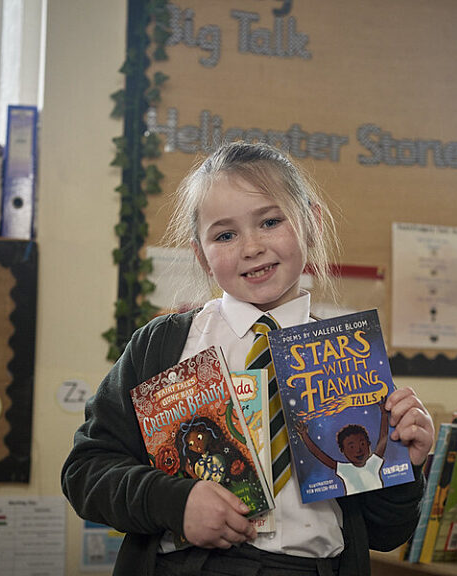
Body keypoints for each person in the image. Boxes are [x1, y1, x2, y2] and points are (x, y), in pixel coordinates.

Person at [61, 141, 435, 576]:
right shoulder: (162, 346)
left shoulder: (351, 356)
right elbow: (86, 470)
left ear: (310, 223)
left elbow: (388, 533)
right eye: (225, 235)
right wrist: (174, 502)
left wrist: (405, 467)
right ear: (200, 253)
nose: (252, 247)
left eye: (271, 221)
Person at [295, 400, 389, 495]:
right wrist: (304, 435)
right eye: (351, 447)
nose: (358, 450)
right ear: (342, 450)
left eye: (362, 444)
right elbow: (319, 454)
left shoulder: (373, 463)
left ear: (369, 444)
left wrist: (384, 413)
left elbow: (383, 437)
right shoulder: (344, 469)